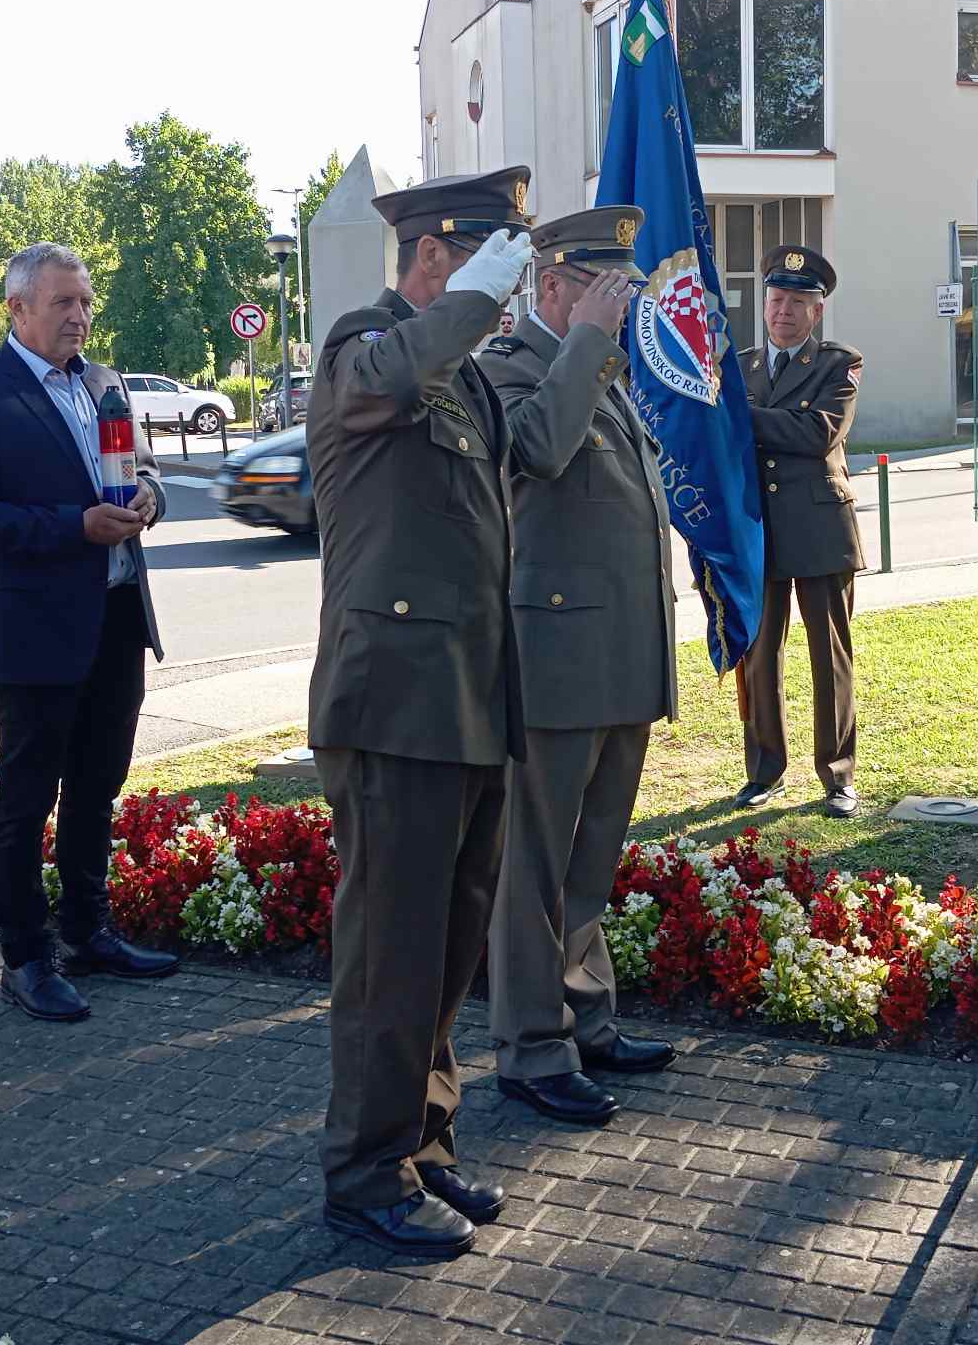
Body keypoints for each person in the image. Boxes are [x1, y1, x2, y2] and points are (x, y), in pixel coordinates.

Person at [308, 168, 533, 1259]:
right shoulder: (364, 345)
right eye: (496, 260)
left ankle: (420, 1146)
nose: (511, 284)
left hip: (466, 701)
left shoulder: (465, 378)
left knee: (444, 954)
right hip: (392, 707)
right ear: (435, 255)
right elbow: (393, 368)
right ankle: (362, 1172)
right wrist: (473, 306)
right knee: (388, 958)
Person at [0, 242, 176, 1024]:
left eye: (85, 302)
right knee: (27, 800)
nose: (79, 316)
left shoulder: (104, 384)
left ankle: (87, 931)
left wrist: (146, 497)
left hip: (114, 620)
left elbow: (146, 474)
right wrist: (73, 526)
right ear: (18, 309)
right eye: (63, 303)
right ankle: (25, 959)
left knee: (98, 788)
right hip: (35, 634)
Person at [479, 207, 677, 1128]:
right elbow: (540, 456)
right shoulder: (511, 371)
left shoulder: (600, 373)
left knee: (589, 860)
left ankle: (586, 1019)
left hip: (618, 655)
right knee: (534, 867)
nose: (619, 306)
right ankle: (530, 1046)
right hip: (552, 661)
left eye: (623, 292)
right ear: (551, 287)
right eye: (604, 290)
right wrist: (588, 344)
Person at [736, 246, 865, 817]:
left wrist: (739, 418)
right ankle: (765, 771)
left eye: (796, 302)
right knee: (759, 654)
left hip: (818, 527)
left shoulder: (840, 364)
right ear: (764, 306)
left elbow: (819, 433)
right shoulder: (739, 367)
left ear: (817, 311)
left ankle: (838, 776)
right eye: (776, 299)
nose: (783, 311)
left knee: (829, 654)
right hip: (757, 531)